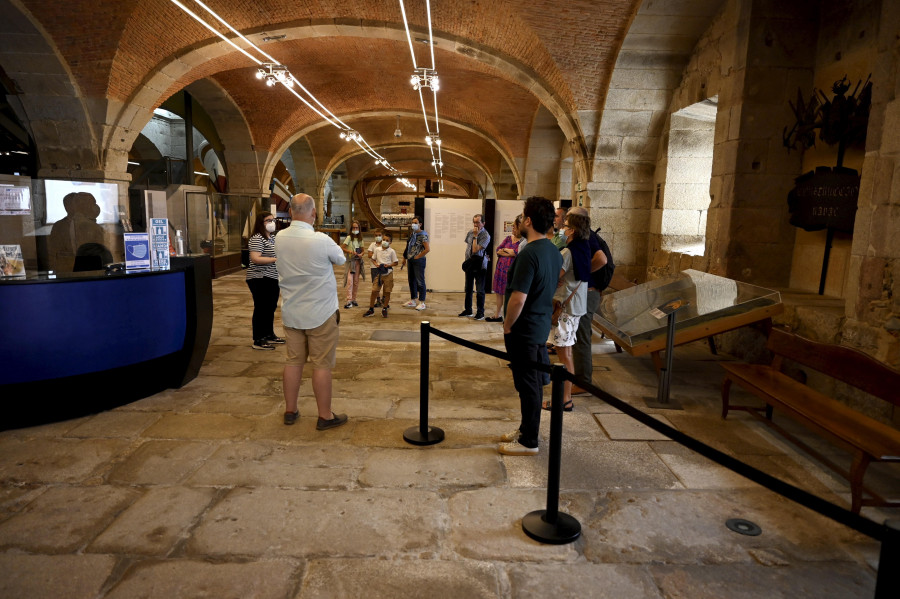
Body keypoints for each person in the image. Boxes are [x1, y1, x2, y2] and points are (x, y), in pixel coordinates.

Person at [275, 194, 348, 430]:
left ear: (291, 212)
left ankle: (290, 410)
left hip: (292, 311)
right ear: (314, 213)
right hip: (321, 313)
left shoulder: (280, 237)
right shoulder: (321, 239)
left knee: (293, 362)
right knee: (321, 364)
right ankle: (325, 416)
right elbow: (340, 258)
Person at [499, 197, 562, 456]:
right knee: (533, 383)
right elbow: (555, 282)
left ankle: (530, 441)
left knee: (528, 385)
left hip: (523, 329)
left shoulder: (529, 254)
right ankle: (526, 429)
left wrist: (507, 325)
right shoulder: (553, 251)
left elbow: (518, 298)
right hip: (539, 326)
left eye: (523, 215)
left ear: (528, 220)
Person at [543, 215, 588, 411]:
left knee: (564, 356)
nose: (563, 228)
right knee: (566, 353)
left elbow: (554, 274)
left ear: (573, 231)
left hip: (565, 308)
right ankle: (565, 397)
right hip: (575, 307)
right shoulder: (584, 249)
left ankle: (564, 399)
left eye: (566, 226)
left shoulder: (569, 252)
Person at [567, 207, 613, 396]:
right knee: (578, 335)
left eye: (568, 219)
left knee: (582, 336)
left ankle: (584, 382)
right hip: (588, 291)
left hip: (590, 292)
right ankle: (579, 377)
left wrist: (583, 275)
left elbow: (601, 259)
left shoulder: (589, 236)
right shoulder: (586, 236)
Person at [246, 211, 283, 351]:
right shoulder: (257, 238)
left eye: (272, 220)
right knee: (261, 308)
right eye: (268, 220)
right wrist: (275, 259)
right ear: (261, 223)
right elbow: (255, 258)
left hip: (272, 277)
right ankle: (258, 339)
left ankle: (269, 334)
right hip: (259, 277)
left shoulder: (271, 238)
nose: (271, 222)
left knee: (270, 307)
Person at [487, 214, 523, 322]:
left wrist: (506, 251)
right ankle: (497, 314)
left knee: (510, 295)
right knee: (498, 293)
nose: (512, 229)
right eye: (512, 227)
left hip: (511, 271)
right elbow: (498, 250)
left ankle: (509, 316)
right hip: (500, 270)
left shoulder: (522, 242)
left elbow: (515, 252)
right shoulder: (508, 238)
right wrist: (508, 252)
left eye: (514, 227)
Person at [459, 213, 491, 320]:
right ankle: (468, 310)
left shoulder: (485, 235)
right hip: (470, 263)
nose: (475, 224)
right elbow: (468, 246)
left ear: (483, 223)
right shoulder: (470, 232)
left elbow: (475, 249)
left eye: (478, 222)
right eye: (474, 222)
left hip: (480, 265)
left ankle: (480, 312)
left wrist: (476, 236)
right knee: (468, 288)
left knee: (480, 290)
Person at [363, 230, 398, 318]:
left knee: (387, 291)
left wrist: (389, 265)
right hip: (379, 273)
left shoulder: (392, 251)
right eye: (384, 240)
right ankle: (371, 309)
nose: (385, 242)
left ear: (390, 242)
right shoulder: (377, 250)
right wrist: (376, 264)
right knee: (374, 290)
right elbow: (373, 258)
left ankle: (385, 308)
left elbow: (396, 262)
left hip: (388, 273)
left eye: (387, 240)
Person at [401, 216, 430, 311]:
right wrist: (405, 257)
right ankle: (413, 300)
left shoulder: (423, 235)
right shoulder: (413, 234)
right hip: (410, 260)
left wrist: (418, 256)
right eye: (412, 222)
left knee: (420, 281)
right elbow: (408, 246)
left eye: (415, 222)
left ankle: (422, 302)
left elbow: (427, 249)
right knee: (411, 280)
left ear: (420, 224)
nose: (413, 224)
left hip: (419, 261)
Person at [341, 220, 365, 309]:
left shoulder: (360, 239)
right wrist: (350, 251)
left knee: (355, 282)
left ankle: (354, 299)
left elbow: (363, 251)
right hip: (351, 262)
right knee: (350, 281)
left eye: (357, 228)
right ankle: (349, 300)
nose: (355, 229)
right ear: (351, 229)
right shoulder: (348, 238)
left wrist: (361, 254)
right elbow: (342, 247)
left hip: (357, 262)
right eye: (354, 228)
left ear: (359, 229)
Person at [367, 228, 384, 307]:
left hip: (383, 267)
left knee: (384, 283)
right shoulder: (372, 245)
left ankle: (384, 299)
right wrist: (378, 253)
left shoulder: (385, 244)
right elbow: (369, 255)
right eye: (376, 235)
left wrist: (375, 254)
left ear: (382, 236)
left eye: (379, 235)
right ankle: (378, 299)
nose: (378, 237)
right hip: (374, 267)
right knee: (375, 284)